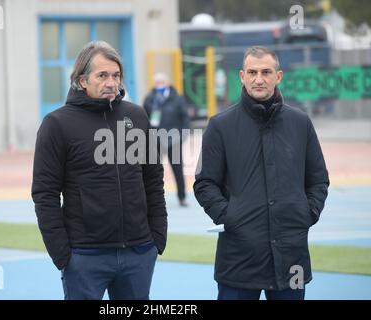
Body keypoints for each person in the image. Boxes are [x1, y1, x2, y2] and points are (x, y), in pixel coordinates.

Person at [31, 41, 167, 300]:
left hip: (139, 252)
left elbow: (153, 180)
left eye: (116, 75)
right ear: (82, 80)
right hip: (84, 256)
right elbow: (44, 193)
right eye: (102, 75)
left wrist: (156, 238)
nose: (111, 82)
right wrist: (62, 254)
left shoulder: (137, 117)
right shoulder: (56, 124)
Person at [194, 46, 329, 300]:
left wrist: (307, 213)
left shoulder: (300, 123)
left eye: (266, 72)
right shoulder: (219, 125)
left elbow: (318, 179)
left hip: (292, 256)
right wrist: (230, 216)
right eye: (252, 72)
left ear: (278, 76)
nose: (259, 79)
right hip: (239, 256)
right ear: (242, 76)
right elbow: (204, 183)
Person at [143, 72, 190, 207]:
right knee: (153, 170)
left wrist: (182, 136)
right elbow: (143, 117)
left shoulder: (177, 98)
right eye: (157, 83)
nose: (159, 85)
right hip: (155, 140)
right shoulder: (150, 98)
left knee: (177, 169)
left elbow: (185, 118)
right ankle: (152, 198)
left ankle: (182, 197)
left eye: (162, 82)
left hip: (173, 139)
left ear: (167, 83)